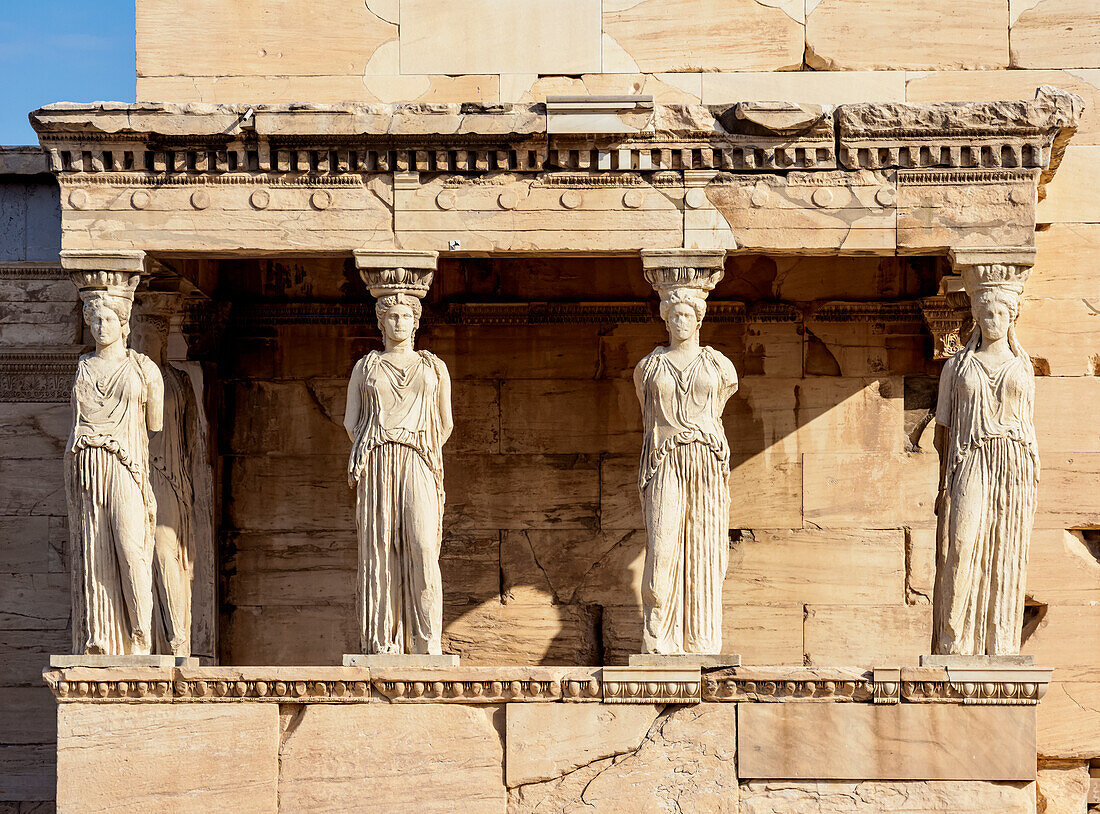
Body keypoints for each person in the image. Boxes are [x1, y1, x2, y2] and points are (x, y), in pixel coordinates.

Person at [933, 280, 1039, 656]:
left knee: (1004, 547)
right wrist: (945, 483)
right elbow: (941, 432)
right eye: (985, 314)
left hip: (1014, 462)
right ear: (976, 318)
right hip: (969, 458)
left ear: (1011, 318)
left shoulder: (1022, 366)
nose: (992, 320)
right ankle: (953, 640)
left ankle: (999, 642)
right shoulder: (957, 366)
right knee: (961, 544)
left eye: (999, 314)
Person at [344, 292, 452, 655]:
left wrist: (415, 442)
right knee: (381, 549)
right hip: (377, 460)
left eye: (405, 316)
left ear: (416, 321)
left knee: (423, 545)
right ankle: (383, 641)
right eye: (391, 316)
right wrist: (379, 442)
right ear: (381, 322)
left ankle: (427, 639)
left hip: (419, 457)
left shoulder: (433, 367)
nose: (398, 323)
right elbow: (351, 421)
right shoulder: (366, 366)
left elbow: (445, 422)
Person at [634, 287, 738, 655]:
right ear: (665, 319)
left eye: (686, 315)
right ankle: (658, 635)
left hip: (706, 459)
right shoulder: (648, 367)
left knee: (703, 545)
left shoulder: (719, 366)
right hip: (665, 458)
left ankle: (700, 641)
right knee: (661, 545)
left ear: (698, 319)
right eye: (673, 315)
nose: (680, 322)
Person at [66, 275, 163, 655]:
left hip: (126, 465)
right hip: (87, 463)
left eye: (106, 319)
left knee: (130, 546)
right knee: (94, 550)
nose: (99, 326)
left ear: (124, 322)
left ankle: (141, 635)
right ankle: (102, 638)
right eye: (93, 320)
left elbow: (154, 424)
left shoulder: (145, 370)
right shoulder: (83, 367)